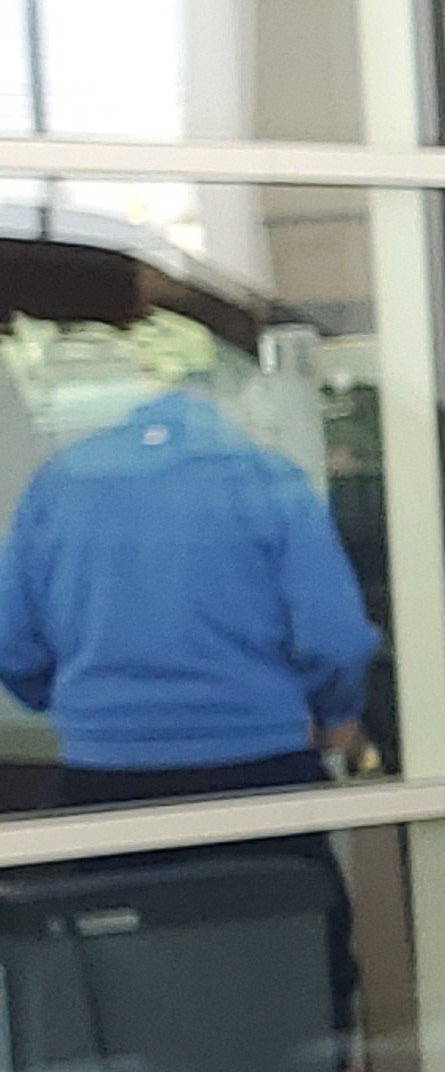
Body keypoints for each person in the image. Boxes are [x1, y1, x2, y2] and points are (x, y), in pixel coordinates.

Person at [0, 381, 382, 1022]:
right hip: (258, 779)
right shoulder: (265, 477)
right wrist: (337, 713)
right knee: (294, 989)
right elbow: (333, 634)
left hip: (106, 783)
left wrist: (85, 710)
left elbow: (11, 639)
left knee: (121, 1002)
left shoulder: (61, 483)